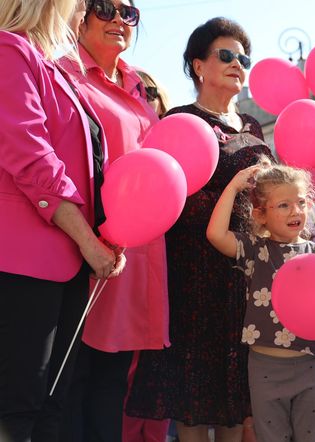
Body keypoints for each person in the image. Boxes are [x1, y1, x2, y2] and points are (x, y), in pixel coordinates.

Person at [126, 17, 273, 442]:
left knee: (233, 403)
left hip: (243, 274)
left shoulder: (253, 127)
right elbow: (167, 197)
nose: (237, 64)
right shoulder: (179, 120)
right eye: (225, 55)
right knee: (191, 401)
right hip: (192, 272)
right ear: (198, 66)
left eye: (243, 58)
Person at [0, 0, 125, 440]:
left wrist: (105, 232)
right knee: (20, 407)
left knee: (53, 404)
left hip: (67, 260)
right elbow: (31, 157)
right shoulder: (7, 50)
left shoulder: (51, 68)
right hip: (22, 261)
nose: (86, 11)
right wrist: (88, 240)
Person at [58, 1, 170, 440]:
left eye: (129, 13)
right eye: (106, 8)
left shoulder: (137, 84)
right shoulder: (61, 72)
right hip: (79, 244)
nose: (120, 20)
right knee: (71, 381)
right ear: (79, 14)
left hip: (134, 252)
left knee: (111, 382)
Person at [206, 161, 315, 441]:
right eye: (283, 205)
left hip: (310, 364)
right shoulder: (255, 251)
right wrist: (234, 186)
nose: (296, 211)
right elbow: (215, 234)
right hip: (265, 366)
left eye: (301, 202)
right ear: (260, 215)